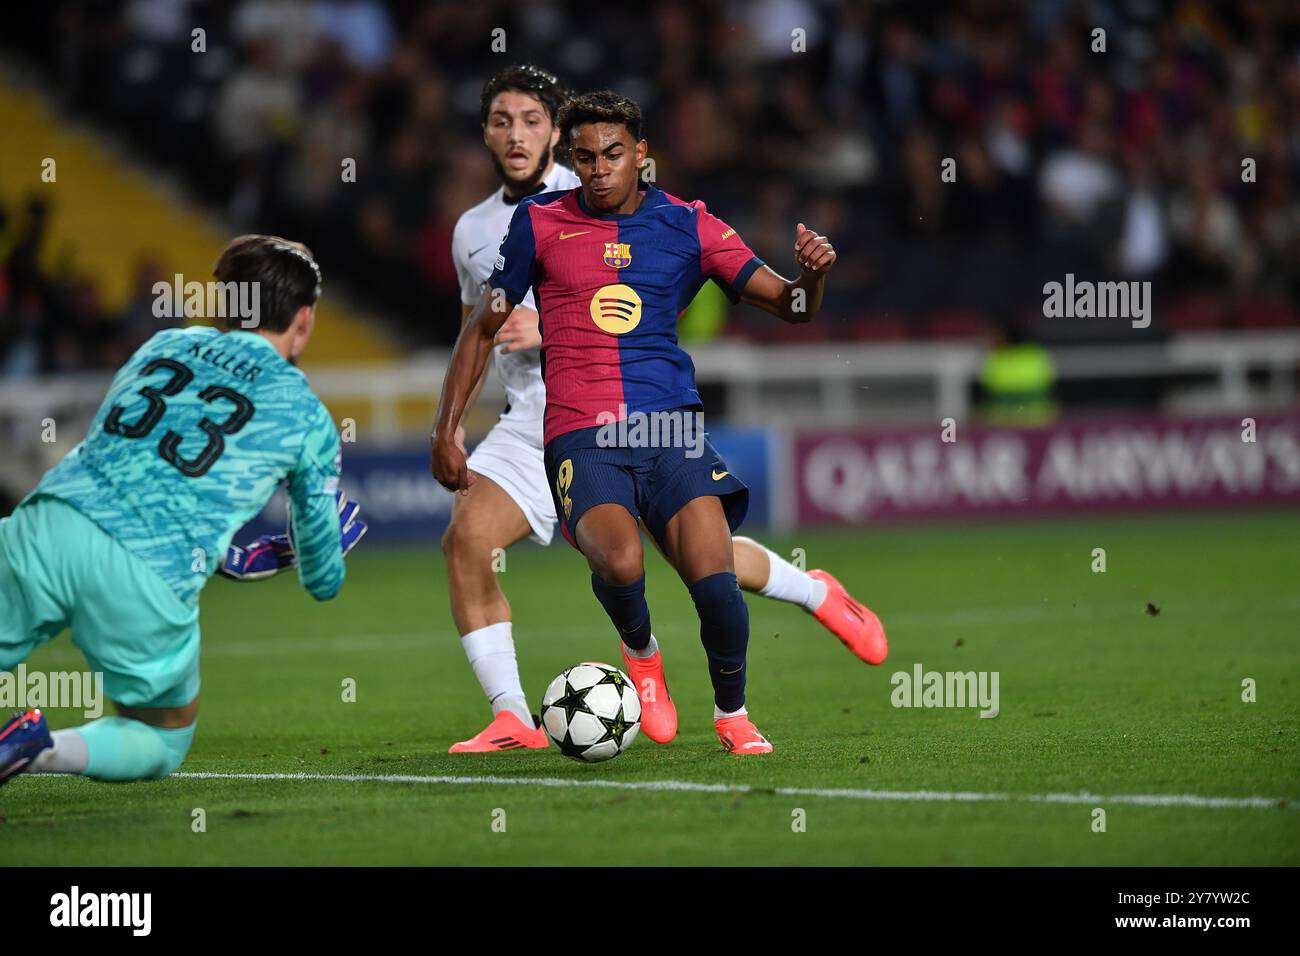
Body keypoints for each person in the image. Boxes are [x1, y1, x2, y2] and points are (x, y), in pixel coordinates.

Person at [433, 92, 885, 755]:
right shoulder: (537, 223)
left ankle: (733, 714)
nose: (598, 170)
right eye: (583, 158)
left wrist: (811, 279)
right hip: (581, 433)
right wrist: (447, 429)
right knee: (619, 560)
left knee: (713, 578)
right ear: (569, 159)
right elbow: (483, 326)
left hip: (669, 429)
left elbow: (790, 306)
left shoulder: (689, 225)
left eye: (613, 155)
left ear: (640, 155)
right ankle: (642, 658)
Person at [0, 236, 366, 784]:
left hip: (48, 521)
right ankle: (39, 746)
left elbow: (127, 457)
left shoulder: (162, 346)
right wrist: (310, 549)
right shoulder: (304, 416)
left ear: (225, 306)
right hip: (147, 569)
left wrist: (224, 552)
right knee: (161, 735)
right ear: (306, 321)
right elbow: (322, 579)